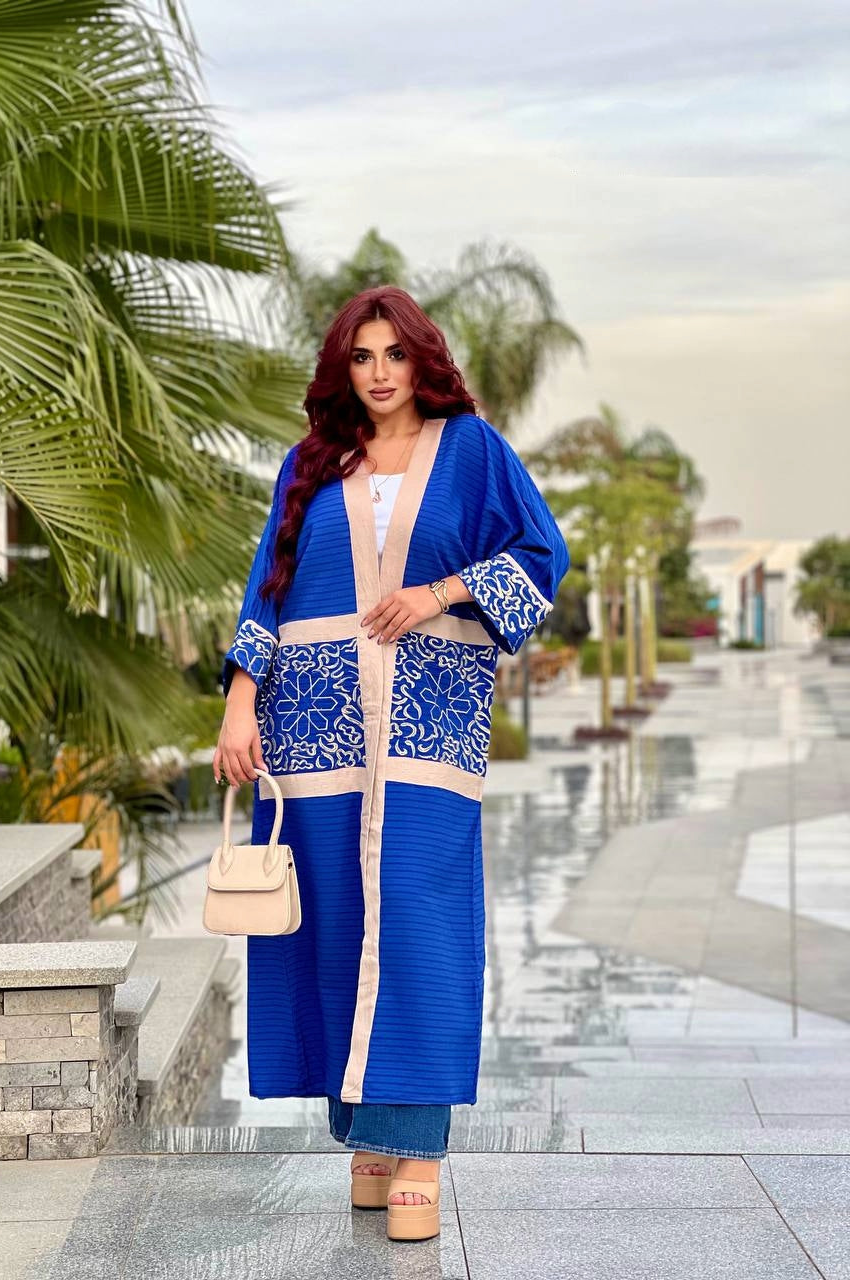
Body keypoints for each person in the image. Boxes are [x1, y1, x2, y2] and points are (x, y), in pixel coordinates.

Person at [213, 285, 569, 1242]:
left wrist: (438, 593)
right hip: (314, 732)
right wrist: (241, 701)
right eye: (362, 356)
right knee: (335, 920)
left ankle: (418, 1152)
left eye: (395, 355)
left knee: (417, 919)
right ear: (345, 367)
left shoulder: (473, 451)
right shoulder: (311, 462)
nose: (379, 373)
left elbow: (543, 555)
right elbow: (267, 587)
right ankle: (368, 1137)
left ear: (423, 361)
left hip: (426, 731)